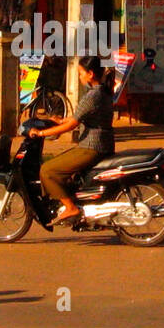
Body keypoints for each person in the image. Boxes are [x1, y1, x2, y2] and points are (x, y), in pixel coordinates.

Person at [32, 56, 116, 224]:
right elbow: (82, 117)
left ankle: (71, 207)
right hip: (100, 145)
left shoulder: (93, 95)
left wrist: (42, 134)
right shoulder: (101, 92)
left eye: (80, 73)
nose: (79, 77)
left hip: (92, 147)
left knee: (48, 170)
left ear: (90, 74)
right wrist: (61, 120)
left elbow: (72, 125)